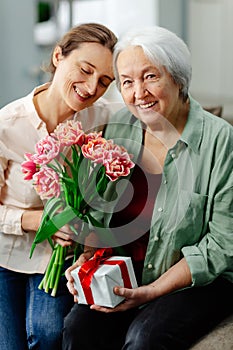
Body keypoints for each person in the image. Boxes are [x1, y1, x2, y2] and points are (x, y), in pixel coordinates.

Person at [63, 26, 233, 350]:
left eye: (150, 76)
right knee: (77, 329)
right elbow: (99, 217)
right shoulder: (116, 134)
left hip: (197, 281)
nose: (139, 92)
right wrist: (86, 261)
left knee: (145, 339)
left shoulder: (221, 141)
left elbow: (222, 244)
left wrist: (153, 291)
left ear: (178, 78)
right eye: (127, 82)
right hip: (128, 271)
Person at [0, 22, 117, 350]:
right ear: (57, 56)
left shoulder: (101, 118)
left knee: (49, 333)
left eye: (105, 81)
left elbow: (153, 111)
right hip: (5, 253)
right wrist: (38, 220)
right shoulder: (7, 126)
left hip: (57, 256)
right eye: (85, 69)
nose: (92, 86)